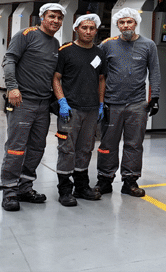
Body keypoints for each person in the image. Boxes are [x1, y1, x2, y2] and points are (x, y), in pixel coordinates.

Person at [0, 3, 65, 211]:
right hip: (22, 101)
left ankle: (25, 187)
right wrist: (12, 87)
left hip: (43, 104)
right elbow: (9, 59)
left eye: (59, 18)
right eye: (51, 16)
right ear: (42, 17)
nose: (55, 21)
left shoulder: (55, 44)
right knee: (16, 148)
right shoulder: (25, 35)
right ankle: (9, 191)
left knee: (37, 148)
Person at [95, 7, 160, 198]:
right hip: (111, 103)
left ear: (136, 23)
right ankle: (105, 180)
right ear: (117, 25)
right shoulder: (107, 45)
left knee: (134, 144)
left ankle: (130, 182)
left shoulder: (148, 45)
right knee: (108, 143)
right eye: (122, 22)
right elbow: (98, 74)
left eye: (129, 22)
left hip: (137, 104)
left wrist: (154, 97)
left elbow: (155, 72)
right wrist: (98, 101)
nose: (125, 25)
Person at [51, 14, 106, 207]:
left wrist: (100, 104)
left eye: (92, 28)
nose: (88, 31)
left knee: (85, 149)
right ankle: (65, 190)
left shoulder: (99, 53)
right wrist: (62, 102)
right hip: (71, 110)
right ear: (76, 29)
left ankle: (82, 187)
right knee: (67, 150)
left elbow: (101, 80)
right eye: (84, 28)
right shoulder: (65, 51)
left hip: (91, 110)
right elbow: (56, 78)